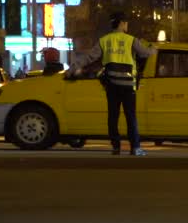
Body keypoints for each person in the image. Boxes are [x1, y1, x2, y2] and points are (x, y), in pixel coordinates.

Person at [66, 12, 156, 156]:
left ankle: (116, 146)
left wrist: (72, 68)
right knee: (131, 116)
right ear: (121, 23)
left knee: (113, 117)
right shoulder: (131, 40)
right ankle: (135, 147)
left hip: (112, 85)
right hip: (128, 86)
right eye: (126, 22)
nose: (127, 25)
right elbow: (145, 53)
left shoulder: (104, 40)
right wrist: (153, 48)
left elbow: (89, 57)